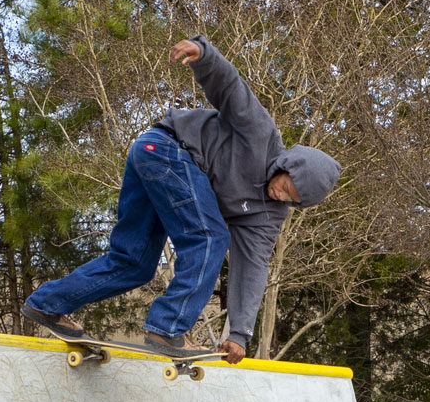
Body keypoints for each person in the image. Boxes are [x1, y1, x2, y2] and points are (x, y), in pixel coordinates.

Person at [22, 35, 341, 362]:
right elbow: (231, 88)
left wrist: (239, 334)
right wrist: (204, 55)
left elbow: (253, 267)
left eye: (293, 200)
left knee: (135, 262)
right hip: (164, 148)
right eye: (288, 186)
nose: (282, 196)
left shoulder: (268, 216)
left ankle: (46, 305)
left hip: (156, 164)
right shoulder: (261, 134)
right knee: (210, 237)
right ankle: (168, 329)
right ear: (290, 165)